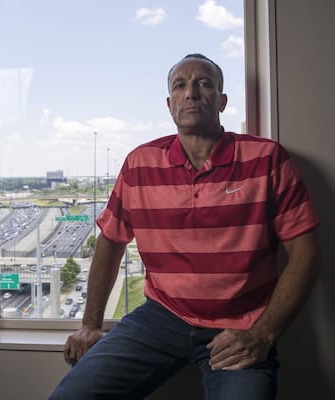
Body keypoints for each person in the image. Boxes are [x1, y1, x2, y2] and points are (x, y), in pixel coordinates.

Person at [49, 53, 320, 400]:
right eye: (180, 85)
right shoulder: (139, 164)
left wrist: (263, 334)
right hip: (160, 319)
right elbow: (111, 241)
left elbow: (306, 254)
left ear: (222, 101)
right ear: (170, 104)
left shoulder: (267, 159)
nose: (191, 92)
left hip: (240, 324)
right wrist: (90, 324)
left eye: (204, 83)